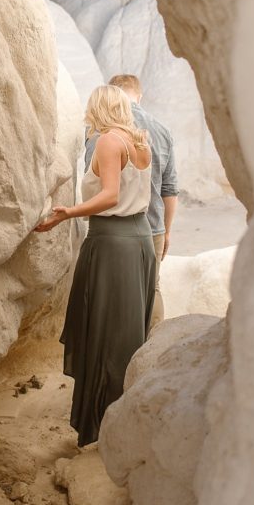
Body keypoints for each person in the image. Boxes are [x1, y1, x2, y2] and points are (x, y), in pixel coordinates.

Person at [35, 84, 156, 447]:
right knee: (128, 334)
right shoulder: (140, 142)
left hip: (112, 243)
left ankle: (106, 426)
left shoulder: (107, 141)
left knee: (107, 337)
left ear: (97, 108)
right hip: (139, 240)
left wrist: (66, 214)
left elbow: (110, 195)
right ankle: (122, 420)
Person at [85, 74, 178, 327]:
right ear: (139, 95)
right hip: (152, 226)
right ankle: (151, 351)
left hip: (114, 229)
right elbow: (169, 189)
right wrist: (167, 231)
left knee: (113, 296)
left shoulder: (100, 132)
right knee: (152, 289)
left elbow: (98, 183)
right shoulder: (160, 130)